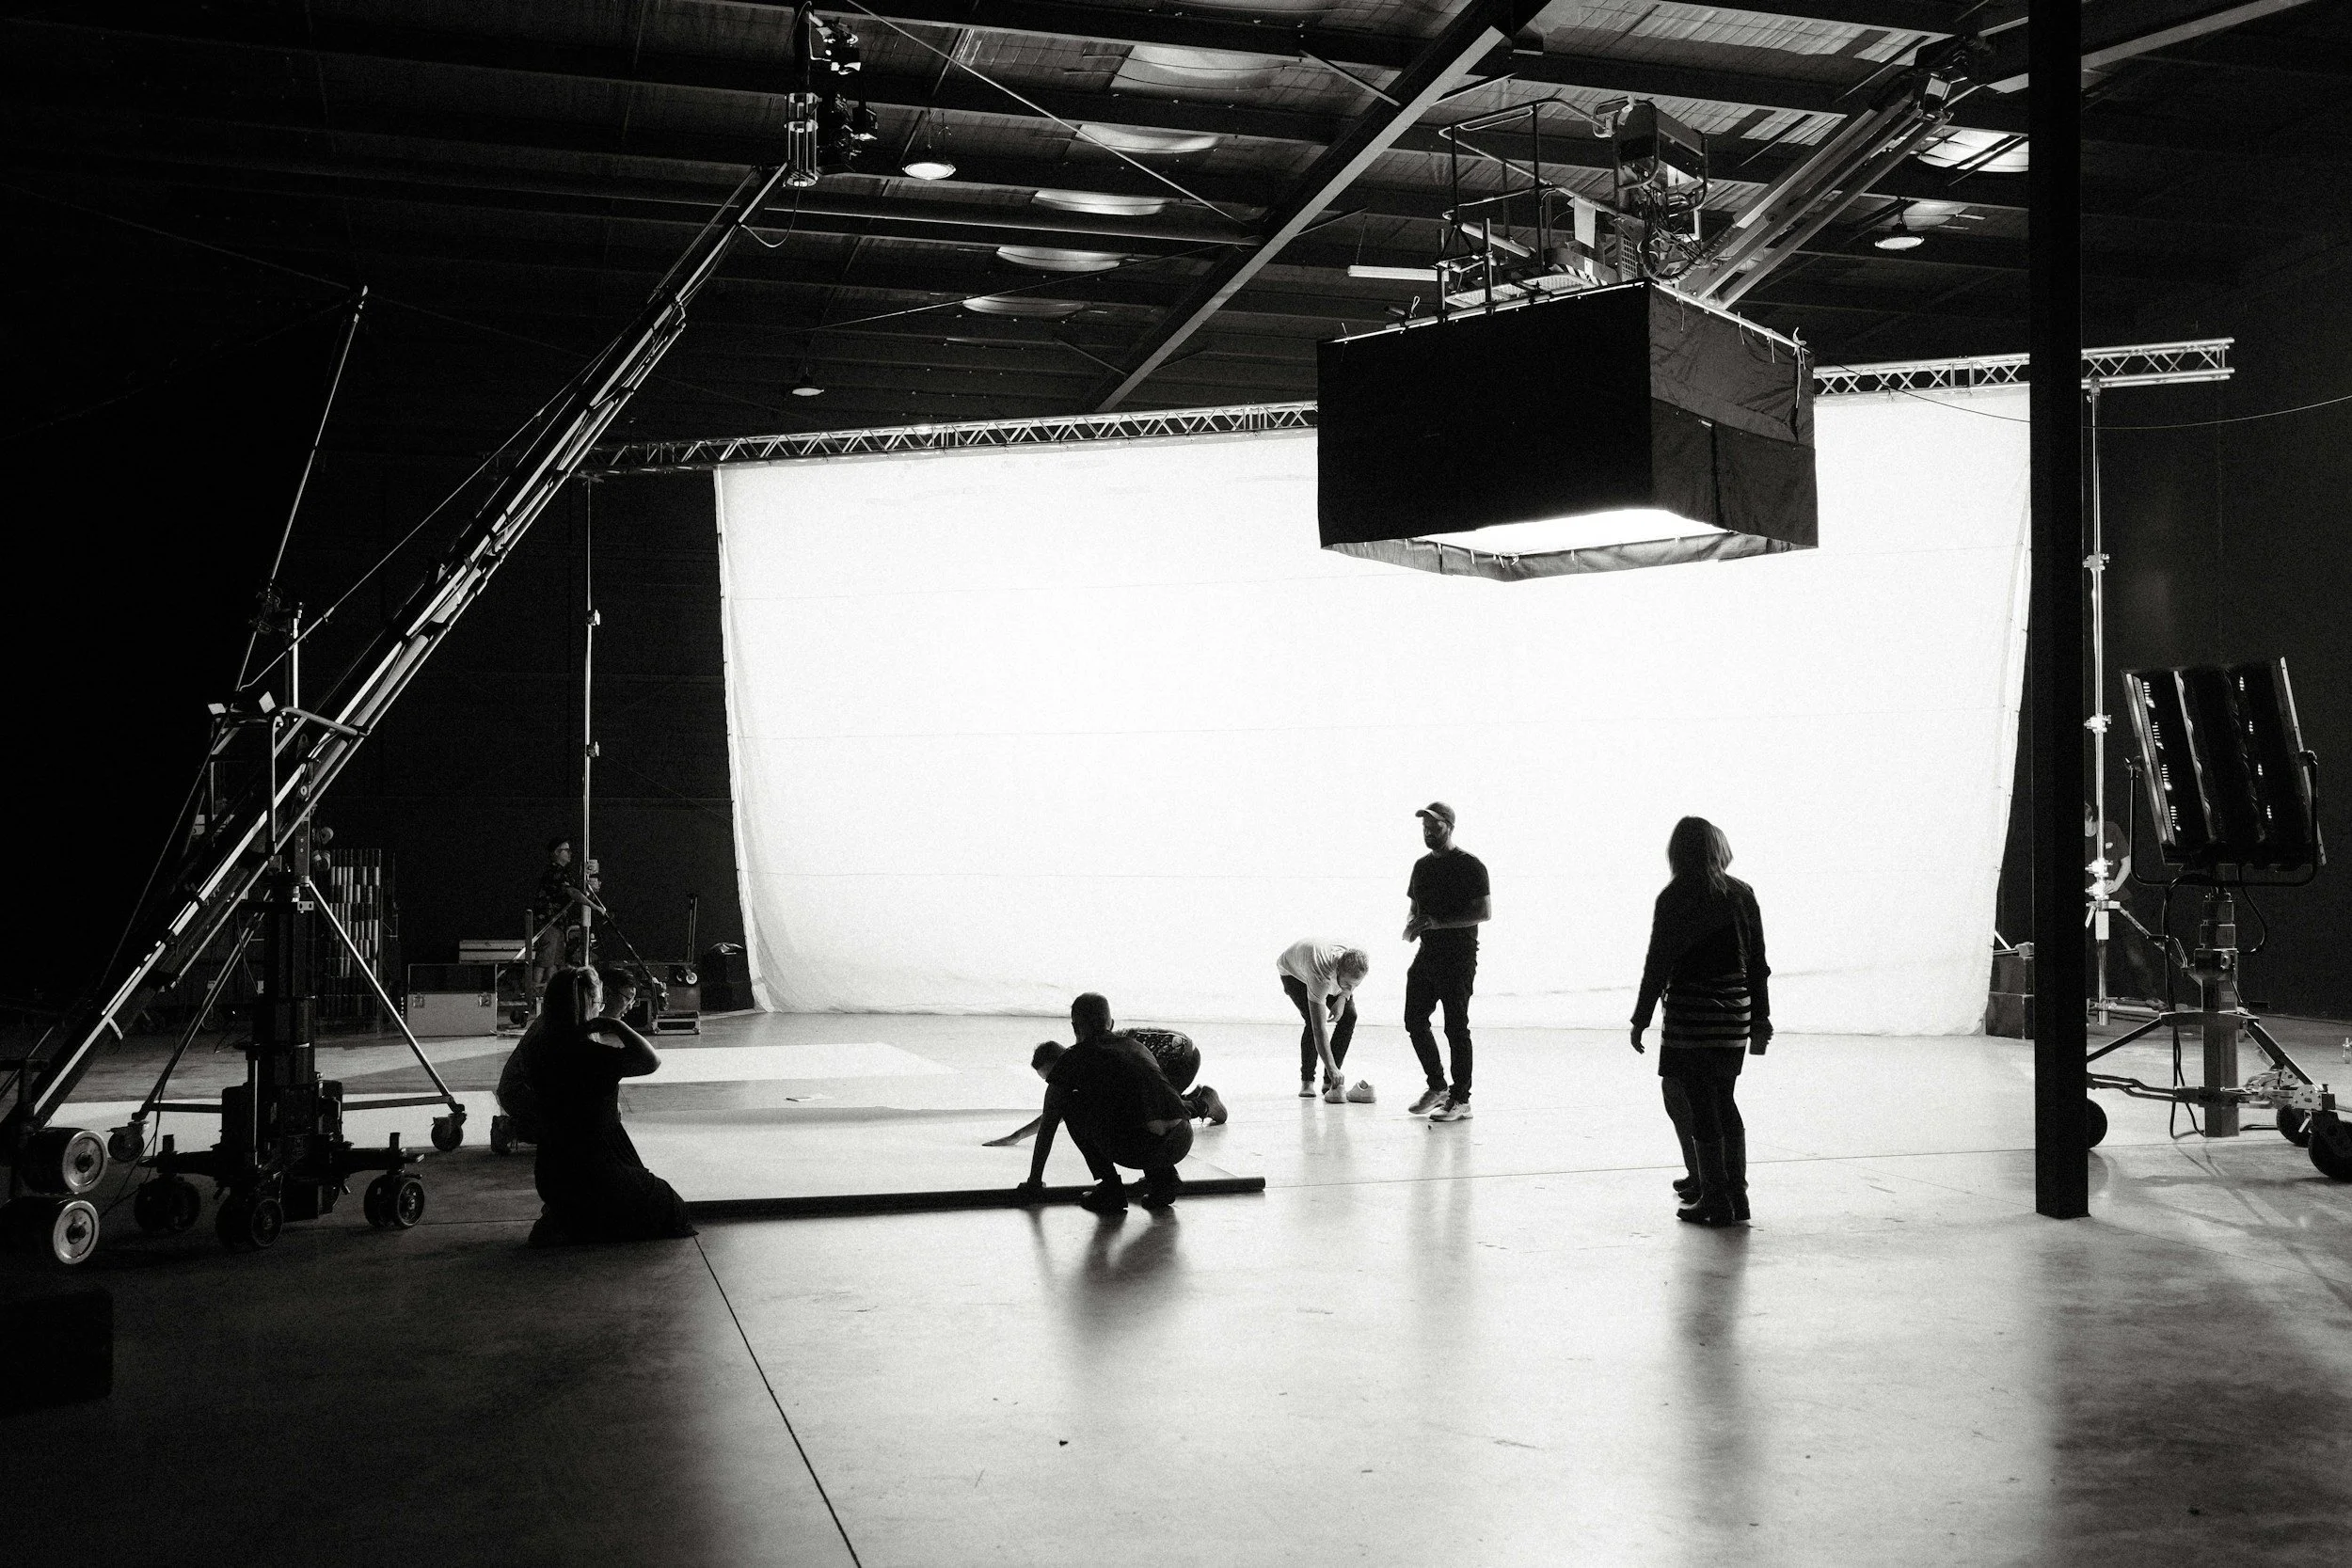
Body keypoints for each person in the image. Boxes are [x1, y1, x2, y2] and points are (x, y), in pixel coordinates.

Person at [1630, 816, 1771, 1227]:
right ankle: (1736, 1194)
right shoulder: (1741, 893)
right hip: (1735, 1010)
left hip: (1691, 1011)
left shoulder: (1674, 896)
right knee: (1724, 1099)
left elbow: (1657, 963)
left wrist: (1641, 1017)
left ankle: (1714, 1200)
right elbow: (1758, 963)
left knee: (1699, 1103)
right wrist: (1760, 1018)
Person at [524, 964, 695, 1245]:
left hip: (551, 1175)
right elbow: (650, 1061)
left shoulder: (540, 1050)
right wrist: (617, 1025)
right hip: (594, 1173)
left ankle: (568, 1216)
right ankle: (581, 1222)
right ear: (591, 1007)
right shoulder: (591, 1057)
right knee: (672, 1208)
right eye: (599, 1004)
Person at [1016, 994, 1194, 1213]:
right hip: (1182, 1139)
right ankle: (1164, 1180)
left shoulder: (1072, 1058)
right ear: (1111, 1023)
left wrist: (1034, 1183)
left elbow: (1049, 1125)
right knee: (1139, 1105)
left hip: (1140, 1149)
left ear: (1075, 1027)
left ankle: (1110, 1189)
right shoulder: (1137, 1047)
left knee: (1070, 1103)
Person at [986, 1029, 1227, 1146]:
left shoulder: (1089, 1064)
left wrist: (1016, 1136)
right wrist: (1017, 1136)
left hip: (1180, 1058)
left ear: (1062, 1062)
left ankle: (1205, 1102)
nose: (1054, 1084)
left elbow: (1056, 1113)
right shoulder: (1084, 1054)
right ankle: (1195, 1098)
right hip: (1175, 1048)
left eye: (1052, 1077)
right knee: (1140, 1100)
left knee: (1152, 1110)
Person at [1404, 801, 1489, 1121]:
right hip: (1427, 955)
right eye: (1425, 826)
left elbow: (1484, 912)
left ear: (1450, 827)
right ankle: (1438, 1086)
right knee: (1414, 1020)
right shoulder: (1421, 867)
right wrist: (1412, 924)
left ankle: (1461, 1099)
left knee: (1456, 1027)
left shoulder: (1470, 866)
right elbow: (1415, 908)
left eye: (1435, 826)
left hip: (1459, 957)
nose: (1428, 831)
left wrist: (1438, 923)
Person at [496, 964, 643, 1149]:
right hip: (521, 1090)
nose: (630, 1006)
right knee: (583, 1123)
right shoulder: (565, 1023)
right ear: (605, 993)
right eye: (628, 998)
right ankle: (510, 1128)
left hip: (534, 1088)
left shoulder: (580, 1016)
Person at [1277, 939, 1372, 1104]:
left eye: (1355, 984)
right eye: (1347, 984)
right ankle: (1307, 1081)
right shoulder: (1320, 975)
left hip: (1323, 968)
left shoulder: (1354, 966)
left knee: (1349, 1017)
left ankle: (1330, 1081)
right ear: (1338, 971)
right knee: (1311, 1019)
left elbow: (1349, 985)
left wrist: (1343, 997)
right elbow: (1319, 1028)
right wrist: (1332, 1067)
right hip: (1293, 973)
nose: (1351, 988)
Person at [531, 837, 592, 993]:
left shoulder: (564, 873)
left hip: (558, 923)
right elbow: (572, 892)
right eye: (567, 850)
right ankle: (533, 990)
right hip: (549, 921)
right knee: (545, 959)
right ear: (557, 852)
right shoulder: (554, 872)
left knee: (554, 961)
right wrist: (593, 906)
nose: (570, 853)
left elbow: (577, 889)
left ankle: (550, 991)